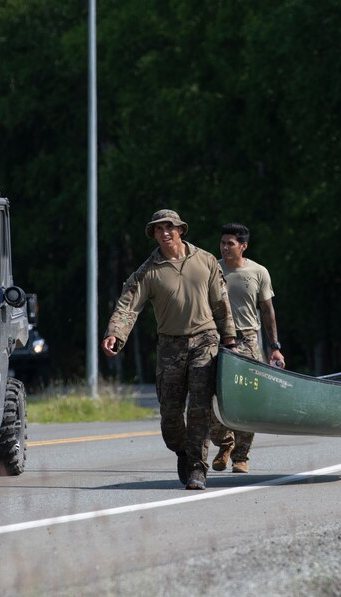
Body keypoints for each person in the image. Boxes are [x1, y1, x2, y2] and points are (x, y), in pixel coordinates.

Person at [101, 209, 237, 491]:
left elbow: (221, 304)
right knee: (170, 415)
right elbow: (128, 306)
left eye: (169, 227)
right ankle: (183, 452)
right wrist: (116, 333)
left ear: (180, 230)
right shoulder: (148, 271)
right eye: (158, 229)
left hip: (205, 340)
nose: (164, 232)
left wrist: (230, 339)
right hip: (170, 346)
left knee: (199, 408)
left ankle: (198, 469)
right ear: (153, 234)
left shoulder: (205, 261)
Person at [208, 223, 285, 475]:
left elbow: (267, 311)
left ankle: (241, 456)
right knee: (209, 399)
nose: (225, 247)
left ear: (243, 246)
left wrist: (275, 347)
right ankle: (225, 443)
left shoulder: (258, 272)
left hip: (248, 341)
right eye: (223, 243)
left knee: (247, 400)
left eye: (231, 243)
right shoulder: (213, 269)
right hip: (216, 341)